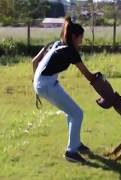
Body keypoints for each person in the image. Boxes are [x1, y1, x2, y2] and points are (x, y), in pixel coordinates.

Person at [32, 17, 95, 163]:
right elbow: (87, 75)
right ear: (74, 36)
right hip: (47, 84)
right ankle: (71, 152)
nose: (81, 41)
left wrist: (36, 85)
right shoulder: (71, 51)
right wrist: (98, 79)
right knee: (78, 113)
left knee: (71, 113)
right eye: (81, 38)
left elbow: (35, 61)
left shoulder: (54, 44)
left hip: (43, 83)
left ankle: (76, 144)